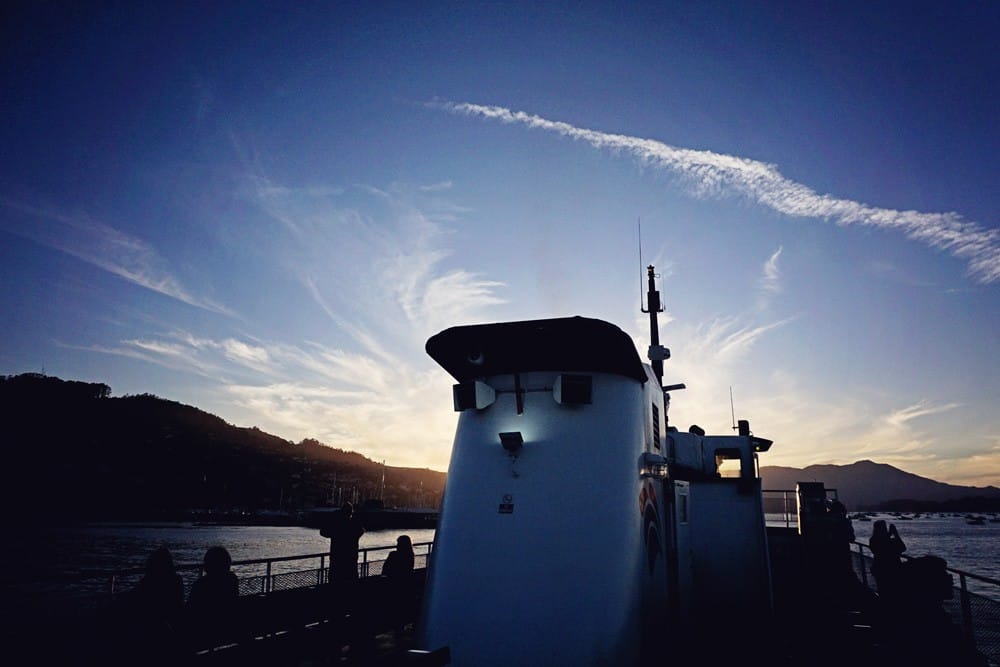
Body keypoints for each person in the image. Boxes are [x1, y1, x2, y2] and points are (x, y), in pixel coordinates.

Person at [186, 546, 239, 649]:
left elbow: (190, 610)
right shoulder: (232, 580)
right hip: (228, 629)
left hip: (203, 633)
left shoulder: (201, 584)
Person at [381, 535, 416, 642]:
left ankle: (397, 629)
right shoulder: (410, 556)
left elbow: (385, 570)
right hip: (405, 588)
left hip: (393, 588)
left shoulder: (393, 555)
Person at [321, 502, 365, 582]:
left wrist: (332, 518)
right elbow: (361, 530)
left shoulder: (336, 527)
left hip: (336, 561)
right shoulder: (354, 526)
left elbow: (323, 532)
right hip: (351, 561)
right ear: (351, 513)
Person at [869, 520, 906, 601]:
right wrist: (896, 534)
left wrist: (889, 535)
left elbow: (881, 545)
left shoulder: (873, 540)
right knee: (894, 594)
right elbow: (903, 548)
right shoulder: (889, 541)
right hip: (893, 570)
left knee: (883, 592)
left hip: (879, 569)